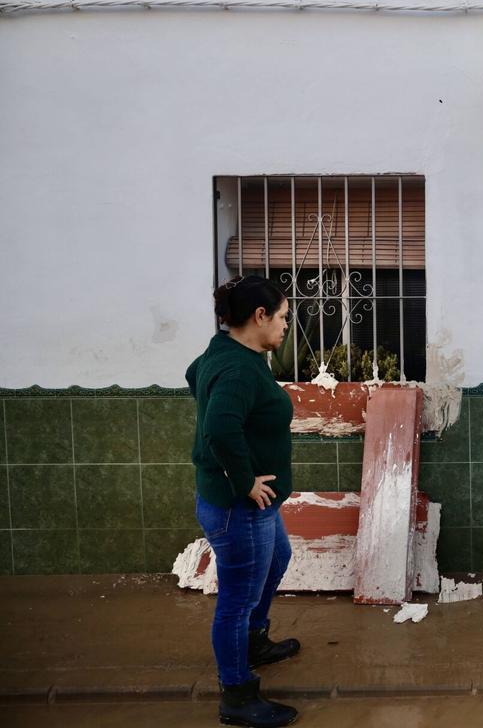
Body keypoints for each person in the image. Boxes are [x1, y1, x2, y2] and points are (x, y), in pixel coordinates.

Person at [186, 275, 300, 728]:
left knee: (278, 559)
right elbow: (218, 427)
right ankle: (237, 693)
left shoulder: (230, 352)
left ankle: (255, 641)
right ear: (259, 316)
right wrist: (244, 480)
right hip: (240, 507)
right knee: (236, 599)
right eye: (284, 317)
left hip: (252, 507)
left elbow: (195, 374)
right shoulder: (237, 368)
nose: (286, 326)